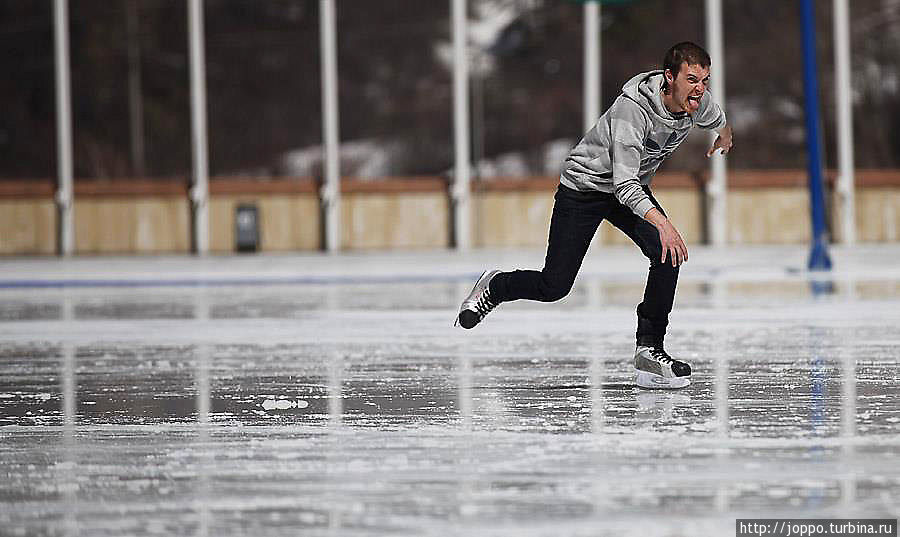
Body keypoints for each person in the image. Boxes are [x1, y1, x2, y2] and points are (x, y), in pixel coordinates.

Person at [455, 41, 733, 389]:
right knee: (554, 285)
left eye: (705, 80)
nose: (700, 89)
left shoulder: (697, 102)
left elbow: (717, 117)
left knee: (667, 255)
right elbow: (626, 185)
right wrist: (663, 223)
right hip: (584, 190)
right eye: (692, 79)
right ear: (669, 77)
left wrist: (724, 135)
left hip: (623, 189)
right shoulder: (633, 111)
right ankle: (495, 285)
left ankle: (649, 349)